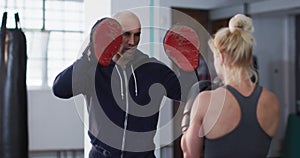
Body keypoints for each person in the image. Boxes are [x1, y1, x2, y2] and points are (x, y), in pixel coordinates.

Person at [52, 10, 183, 158]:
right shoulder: (93, 70)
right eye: (126, 34)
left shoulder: (153, 69)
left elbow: (188, 92)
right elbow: (60, 89)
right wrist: (89, 55)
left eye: (137, 34)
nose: (133, 41)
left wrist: (187, 68)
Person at [181, 14, 280, 158]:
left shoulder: (206, 101)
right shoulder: (272, 101)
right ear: (249, 58)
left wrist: (186, 127)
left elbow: (190, 154)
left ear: (220, 57)